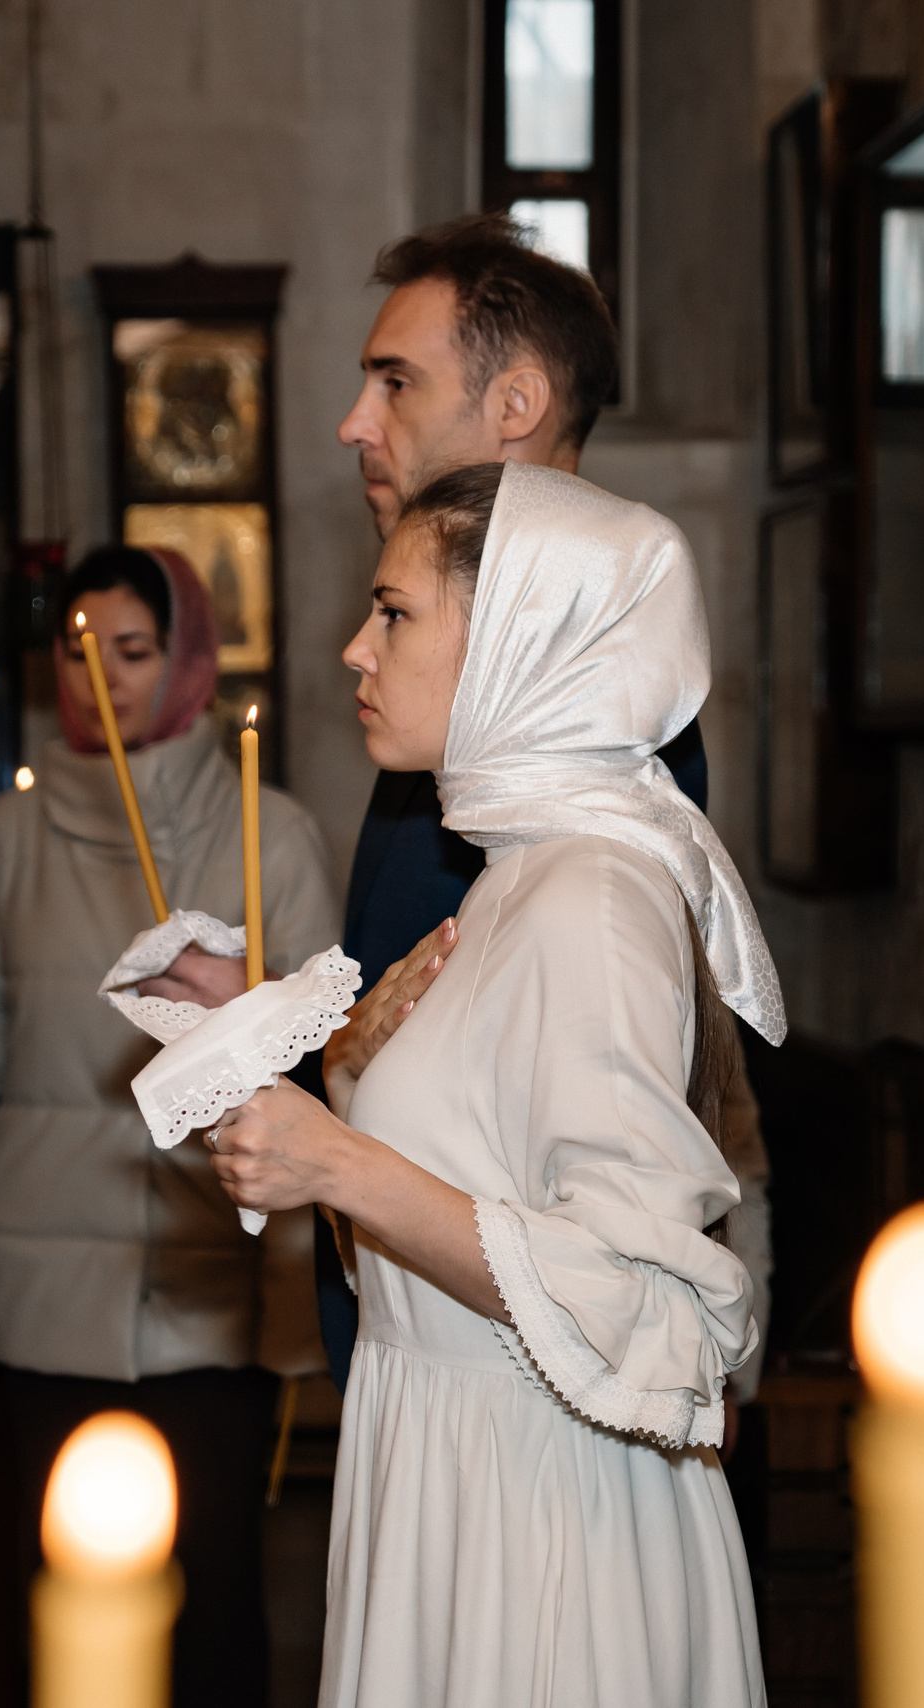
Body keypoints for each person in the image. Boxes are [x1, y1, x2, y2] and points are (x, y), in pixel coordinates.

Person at [208, 461, 779, 1705]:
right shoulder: (512, 874)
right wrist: (351, 1067)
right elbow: (478, 1186)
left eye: (394, 612)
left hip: (543, 1502)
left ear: (519, 633)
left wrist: (334, 1160)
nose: (354, 649)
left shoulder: (591, 892)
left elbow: (638, 1291)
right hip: (450, 1460)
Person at [325, 212, 773, 1414]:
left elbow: (591, 1183)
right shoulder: (464, 709)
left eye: (394, 381)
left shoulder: (590, 746)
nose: (354, 424)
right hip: (420, 1324)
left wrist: (339, 1146)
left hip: (523, 1372)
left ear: (515, 402)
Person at [0, 544, 340, 1708]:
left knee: (216, 1616)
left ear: (186, 658)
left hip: (211, 1298)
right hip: (42, 1302)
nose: (102, 679)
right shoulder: (6, 842)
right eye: (76, 654)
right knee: (52, 1626)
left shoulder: (268, 835)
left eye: (131, 650)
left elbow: (320, 1069)